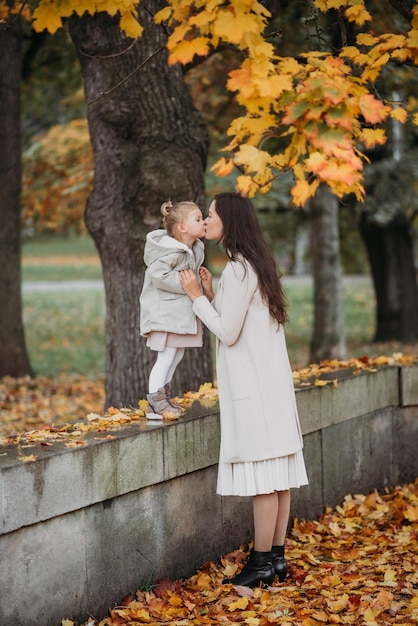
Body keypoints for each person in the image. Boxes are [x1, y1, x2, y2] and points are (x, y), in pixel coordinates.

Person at [179, 191, 308, 588]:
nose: (207, 221)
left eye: (212, 214)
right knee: (279, 477)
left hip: (256, 390)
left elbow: (229, 333)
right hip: (272, 387)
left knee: (264, 481)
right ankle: (278, 560)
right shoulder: (255, 265)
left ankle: (260, 564)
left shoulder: (237, 269)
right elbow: (245, 322)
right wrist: (215, 297)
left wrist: (197, 299)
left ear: (229, 221)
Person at [140, 199, 205, 419]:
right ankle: (155, 402)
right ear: (182, 228)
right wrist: (186, 284)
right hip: (164, 315)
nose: (204, 221)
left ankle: (162, 399)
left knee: (176, 355)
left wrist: (199, 281)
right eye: (198, 219)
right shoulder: (170, 251)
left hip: (177, 315)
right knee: (166, 356)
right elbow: (157, 275)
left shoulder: (192, 249)